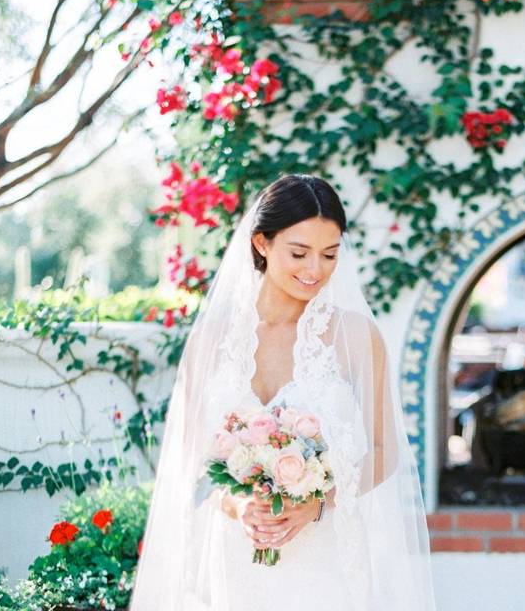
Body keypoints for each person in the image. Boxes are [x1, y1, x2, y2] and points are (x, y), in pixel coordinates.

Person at [129, 174, 437, 610]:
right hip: (235, 557)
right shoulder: (211, 340)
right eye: (299, 252)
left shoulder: (354, 335)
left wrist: (318, 503)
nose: (315, 270)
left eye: (329, 254)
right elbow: (191, 458)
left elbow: (385, 449)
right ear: (261, 244)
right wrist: (237, 503)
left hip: (324, 560)